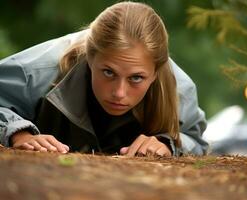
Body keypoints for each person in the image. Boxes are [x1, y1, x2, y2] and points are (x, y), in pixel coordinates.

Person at [0, 1, 208, 157]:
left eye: (136, 78)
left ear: (155, 72)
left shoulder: (180, 90)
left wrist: (167, 145)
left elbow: (196, 142)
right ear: (90, 57)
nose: (119, 93)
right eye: (108, 72)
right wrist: (19, 133)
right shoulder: (36, 72)